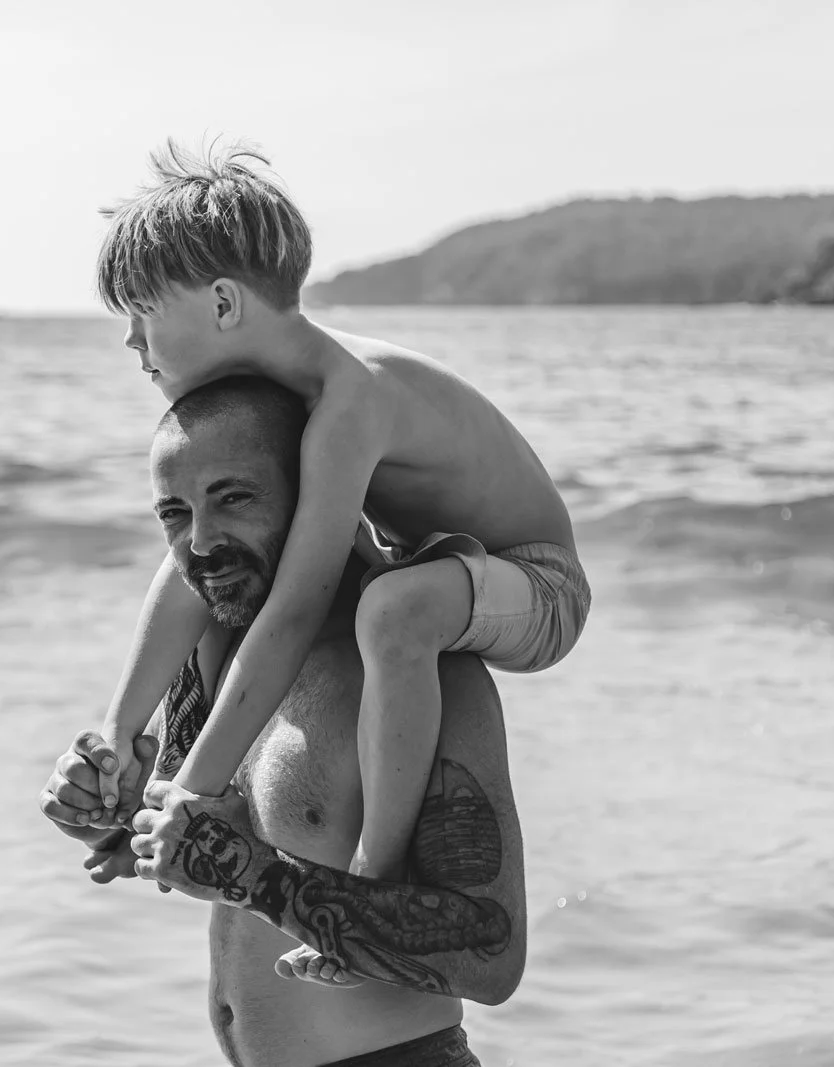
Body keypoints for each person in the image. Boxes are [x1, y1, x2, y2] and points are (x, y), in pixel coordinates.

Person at [89, 141, 585, 982]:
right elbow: (195, 569)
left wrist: (191, 791)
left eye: (140, 312)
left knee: (390, 612)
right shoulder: (292, 396)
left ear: (220, 303)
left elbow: (290, 612)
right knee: (217, 539)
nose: (132, 342)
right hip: (434, 563)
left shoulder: (347, 402)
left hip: (537, 584)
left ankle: (377, 873)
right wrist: (117, 738)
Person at [41, 377, 526, 1066]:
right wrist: (92, 803)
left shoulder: (415, 666)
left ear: (314, 494)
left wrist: (254, 874)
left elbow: (492, 954)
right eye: (175, 512)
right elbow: (165, 832)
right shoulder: (221, 650)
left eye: (233, 498)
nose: (202, 541)